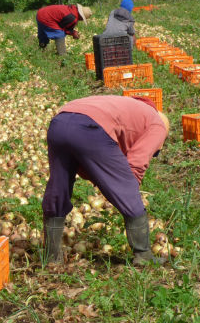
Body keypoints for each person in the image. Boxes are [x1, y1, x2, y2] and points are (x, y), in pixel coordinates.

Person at [41, 95, 170, 266]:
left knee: (58, 187)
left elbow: (89, 160)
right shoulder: (158, 125)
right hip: (90, 128)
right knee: (127, 188)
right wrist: (127, 194)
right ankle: (143, 256)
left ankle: (52, 257)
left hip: (59, 123)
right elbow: (136, 163)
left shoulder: (127, 107)